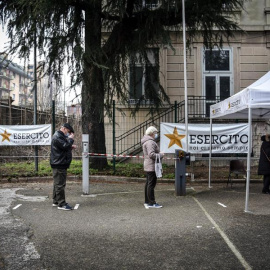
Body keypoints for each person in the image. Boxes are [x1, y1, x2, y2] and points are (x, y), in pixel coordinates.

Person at [50, 123, 77, 210]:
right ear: (64, 129)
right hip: (59, 163)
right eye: (68, 132)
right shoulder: (58, 136)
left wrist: (70, 146)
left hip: (60, 162)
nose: (68, 134)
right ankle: (61, 204)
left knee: (57, 183)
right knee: (60, 184)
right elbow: (65, 145)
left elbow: (63, 147)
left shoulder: (59, 136)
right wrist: (70, 140)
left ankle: (56, 201)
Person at [141, 126, 164, 209]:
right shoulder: (150, 142)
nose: (156, 134)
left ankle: (147, 201)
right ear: (152, 133)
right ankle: (152, 202)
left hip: (148, 165)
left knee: (148, 184)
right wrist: (161, 155)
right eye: (155, 133)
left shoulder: (146, 141)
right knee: (151, 184)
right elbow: (151, 154)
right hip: (152, 166)